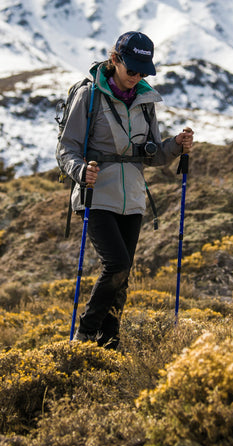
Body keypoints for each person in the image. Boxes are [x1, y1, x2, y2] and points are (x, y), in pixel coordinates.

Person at [56, 31, 194, 349]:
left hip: (132, 198)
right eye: (131, 69)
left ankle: (109, 343)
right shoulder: (89, 95)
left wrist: (176, 144)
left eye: (143, 72)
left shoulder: (145, 102)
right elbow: (67, 149)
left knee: (123, 276)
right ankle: (84, 335)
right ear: (114, 59)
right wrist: (81, 171)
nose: (136, 77)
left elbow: (153, 155)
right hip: (95, 194)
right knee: (117, 264)